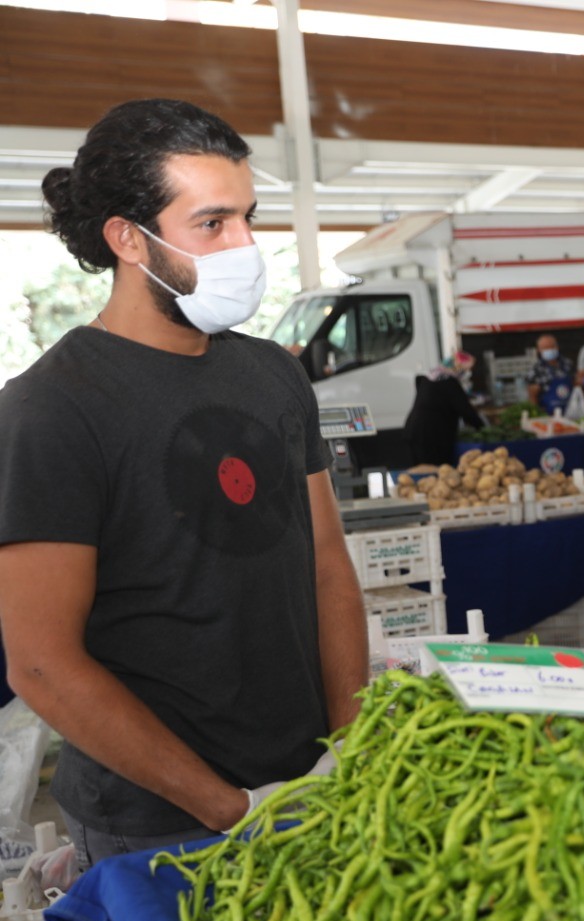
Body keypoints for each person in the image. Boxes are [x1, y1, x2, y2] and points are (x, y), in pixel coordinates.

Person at [0, 99, 367, 865]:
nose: (244, 245)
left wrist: (350, 747)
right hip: (157, 820)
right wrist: (227, 807)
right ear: (127, 239)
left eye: (247, 218)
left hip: (308, 780)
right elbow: (41, 661)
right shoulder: (52, 408)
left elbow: (328, 568)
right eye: (212, 224)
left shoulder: (271, 374)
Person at [403, 352, 484, 465]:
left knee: (422, 474)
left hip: (414, 431)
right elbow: (466, 410)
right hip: (431, 437)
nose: (468, 373)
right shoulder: (448, 382)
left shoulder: (430, 378)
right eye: (466, 369)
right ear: (458, 367)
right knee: (436, 474)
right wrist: (482, 428)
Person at [528, 333, 576, 415]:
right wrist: (538, 414)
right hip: (549, 415)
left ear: (557, 347)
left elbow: (576, 384)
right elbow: (533, 397)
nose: (549, 349)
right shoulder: (536, 370)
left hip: (571, 412)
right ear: (539, 350)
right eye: (545, 348)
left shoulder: (568, 364)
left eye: (552, 346)